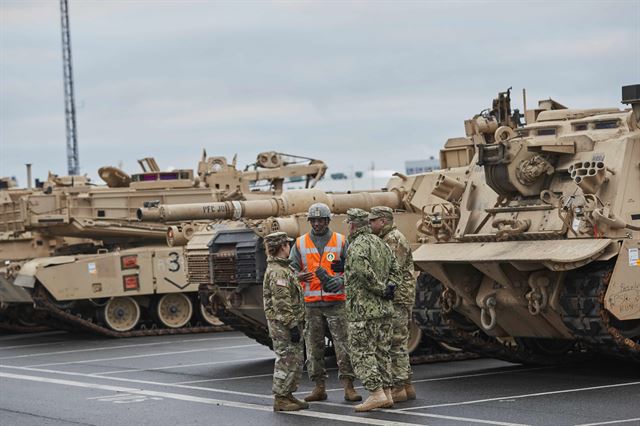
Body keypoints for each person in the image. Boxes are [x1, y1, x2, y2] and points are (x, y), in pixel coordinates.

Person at [289, 203, 361, 402]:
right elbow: (290, 269)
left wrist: (342, 277)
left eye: (321, 220)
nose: (318, 224)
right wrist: (298, 276)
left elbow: (355, 269)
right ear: (310, 221)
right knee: (313, 347)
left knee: (344, 346)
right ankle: (319, 387)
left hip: (336, 303)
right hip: (311, 304)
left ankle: (349, 387)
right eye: (314, 220)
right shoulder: (300, 243)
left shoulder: (341, 241)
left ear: (328, 221)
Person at [344, 208, 400, 412]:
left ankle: (376, 393)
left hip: (363, 311)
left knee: (361, 352)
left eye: (348, 223)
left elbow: (363, 273)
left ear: (353, 225)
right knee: (382, 352)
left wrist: (380, 288)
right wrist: (390, 288)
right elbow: (396, 269)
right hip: (384, 310)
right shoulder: (381, 243)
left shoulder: (357, 245)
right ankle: (387, 393)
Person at [369, 206, 417, 402]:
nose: (370, 224)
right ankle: (405, 384)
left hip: (396, 297)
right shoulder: (388, 238)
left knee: (394, 343)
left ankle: (399, 387)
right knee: (398, 342)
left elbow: (389, 271)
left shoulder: (393, 240)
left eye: (373, 221)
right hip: (396, 296)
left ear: (383, 221)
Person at [262, 231, 308, 412]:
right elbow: (281, 303)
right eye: (288, 244)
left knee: (294, 360)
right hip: (284, 325)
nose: (290, 247)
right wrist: (292, 326)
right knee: (286, 360)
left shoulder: (282, 269)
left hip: (289, 323)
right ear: (282, 247)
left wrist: (297, 278)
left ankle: (287, 394)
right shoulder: (278, 272)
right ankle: (280, 398)